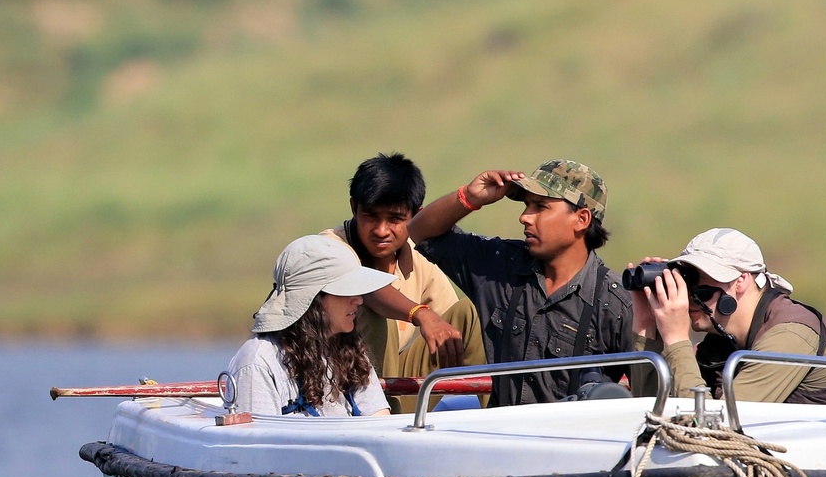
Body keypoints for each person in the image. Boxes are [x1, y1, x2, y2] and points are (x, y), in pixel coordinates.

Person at [407, 159, 633, 406]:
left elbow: (654, 394)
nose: (525, 217)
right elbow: (421, 232)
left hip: (574, 442)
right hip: (505, 439)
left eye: (540, 207)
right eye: (527, 206)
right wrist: (469, 197)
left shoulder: (615, 303)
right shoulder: (500, 267)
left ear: (582, 219)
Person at [628, 227, 826, 405]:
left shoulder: (790, 335)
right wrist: (646, 327)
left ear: (740, 281)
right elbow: (656, 413)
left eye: (701, 286)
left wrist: (676, 339)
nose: (689, 297)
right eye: (686, 282)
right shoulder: (720, 344)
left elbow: (713, 430)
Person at [321, 153, 488, 412]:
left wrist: (440, 326)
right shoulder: (330, 247)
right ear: (354, 208)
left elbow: (448, 323)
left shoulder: (419, 255)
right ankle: (381, 416)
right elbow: (372, 290)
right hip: (335, 388)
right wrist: (420, 313)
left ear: (416, 216)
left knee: (473, 312)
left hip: (396, 386)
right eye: (371, 216)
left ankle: (504, 416)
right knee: (377, 314)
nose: (381, 230)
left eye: (395, 219)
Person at [226, 235, 397, 417]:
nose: (359, 299)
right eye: (347, 290)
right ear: (313, 299)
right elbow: (257, 441)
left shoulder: (350, 350)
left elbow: (379, 421)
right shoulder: (258, 363)